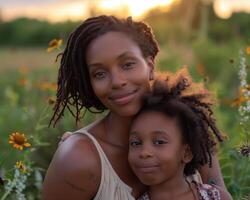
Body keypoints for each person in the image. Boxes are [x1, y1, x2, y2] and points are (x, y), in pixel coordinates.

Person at [42, 15, 231, 200]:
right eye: (99, 73)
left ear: (150, 65)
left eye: (128, 64)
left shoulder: (188, 125)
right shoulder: (79, 160)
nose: (117, 82)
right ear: (89, 82)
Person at [128, 70, 231, 199]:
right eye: (135, 143)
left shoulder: (214, 196)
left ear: (187, 153)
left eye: (159, 142)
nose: (144, 152)